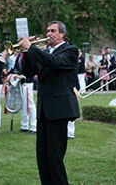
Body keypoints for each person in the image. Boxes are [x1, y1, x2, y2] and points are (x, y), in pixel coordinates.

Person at [20, 20, 80, 185]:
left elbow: (54, 63)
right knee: (42, 155)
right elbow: (28, 72)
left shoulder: (70, 50)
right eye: (47, 31)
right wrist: (25, 53)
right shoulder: (44, 52)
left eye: (53, 31)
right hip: (44, 109)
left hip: (60, 109)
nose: (49, 34)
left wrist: (31, 48)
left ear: (62, 34)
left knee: (55, 156)